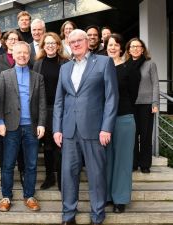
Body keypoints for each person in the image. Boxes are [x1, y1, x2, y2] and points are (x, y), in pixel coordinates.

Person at [53, 29, 118, 225]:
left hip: (95, 130)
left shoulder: (104, 62)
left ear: (87, 41)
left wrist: (106, 127)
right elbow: (59, 101)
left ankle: (97, 215)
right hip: (69, 131)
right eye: (71, 42)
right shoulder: (64, 68)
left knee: (96, 175)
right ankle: (68, 215)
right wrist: (57, 128)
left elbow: (111, 98)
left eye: (79, 40)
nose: (75, 44)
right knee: (67, 175)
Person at [0, 41, 46, 212]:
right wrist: (0, 122)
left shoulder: (37, 77)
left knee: (31, 165)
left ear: (29, 54)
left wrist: (41, 124)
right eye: (19, 53)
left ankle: (29, 196)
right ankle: (6, 197)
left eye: (25, 53)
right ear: (13, 54)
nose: (22, 55)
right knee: (8, 164)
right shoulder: (5, 75)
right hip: (10, 127)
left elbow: (42, 103)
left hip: (31, 127)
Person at [105, 34, 143, 214]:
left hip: (124, 118)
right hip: (104, 121)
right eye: (109, 45)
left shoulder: (130, 69)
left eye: (115, 45)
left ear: (121, 48)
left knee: (122, 160)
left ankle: (120, 199)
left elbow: (133, 95)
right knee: (107, 159)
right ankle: (107, 196)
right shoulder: (100, 67)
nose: (112, 48)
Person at [33, 32, 69, 191]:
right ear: (43, 46)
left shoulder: (66, 63)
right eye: (47, 43)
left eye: (53, 43)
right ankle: (49, 177)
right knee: (47, 146)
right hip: (44, 109)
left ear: (58, 45)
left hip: (62, 109)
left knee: (61, 145)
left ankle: (62, 179)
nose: (50, 46)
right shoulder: (38, 64)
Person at [0, 30, 25, 179]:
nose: (12, 41)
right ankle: (5, 174)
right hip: (2, 107)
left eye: (15, 39)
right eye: (10, 39)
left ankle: (22, 172)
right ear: (5, 41)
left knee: (21, 144)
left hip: (21, 108)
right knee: (2, 143)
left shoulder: (25, 58)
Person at [125, 37, 160, 174]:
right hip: (130, 105)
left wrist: (155, 102)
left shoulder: (150, 64)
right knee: (132, 135)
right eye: (132, 46)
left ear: (143, 49)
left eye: (138, 46)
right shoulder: (125, 64)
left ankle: (145, 164)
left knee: (145, 135)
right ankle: (133, 163)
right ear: (128, 49)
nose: (135, 49)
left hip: (146, 104)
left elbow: (156, 83)